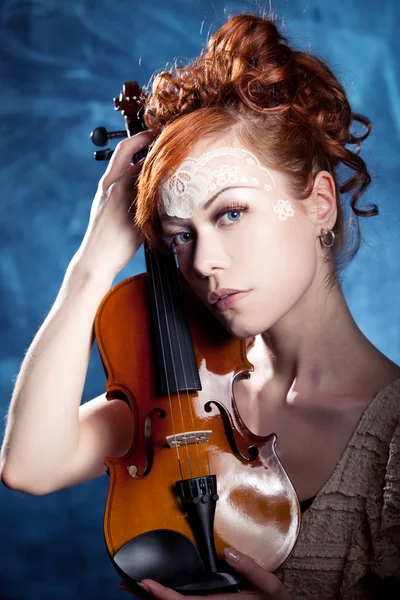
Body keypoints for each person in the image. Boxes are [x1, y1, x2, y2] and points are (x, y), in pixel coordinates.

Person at [1, 12, 399, 600]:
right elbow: (28, 466)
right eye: (179, 235)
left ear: (319, 203)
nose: (202, 261)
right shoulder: (182, 399)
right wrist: (91, 267)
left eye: (231, 213)